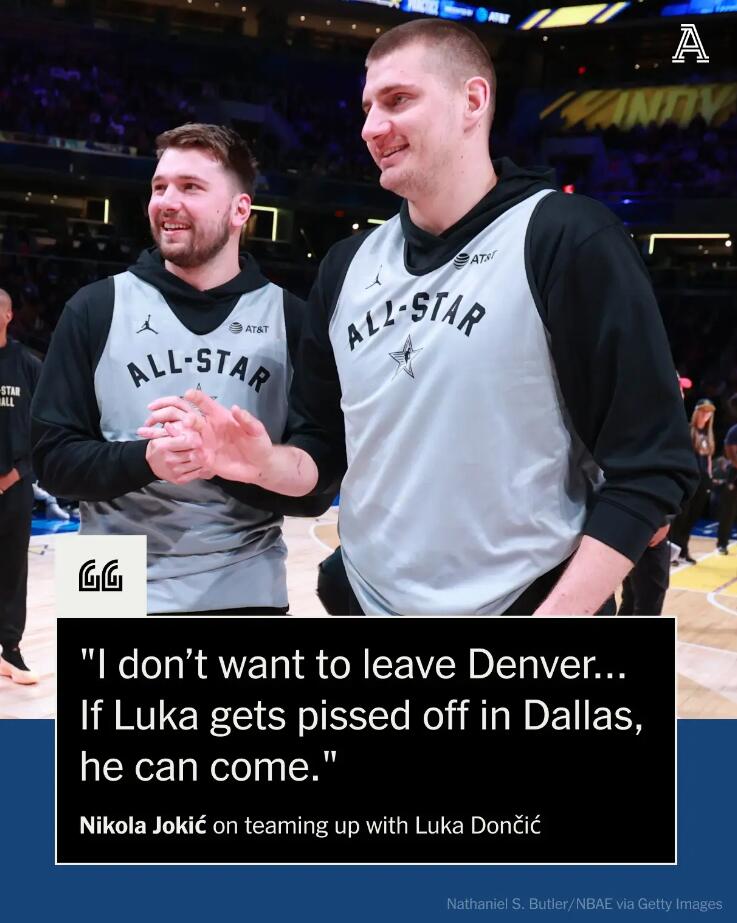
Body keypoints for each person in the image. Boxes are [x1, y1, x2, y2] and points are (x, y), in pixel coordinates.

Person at [156, 21, 697, 616]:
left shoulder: (566, 239)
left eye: (397, 100)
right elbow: (322, 456)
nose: (371, 127)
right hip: (366, 603)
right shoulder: (346, 266)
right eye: (367, 108)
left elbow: (651, 468)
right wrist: (263, 465)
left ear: (473, 100)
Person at [31, 124, 330, 614]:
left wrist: (232, 462)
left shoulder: (291, 320)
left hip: (241, 583)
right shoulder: (95, 307)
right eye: (160, 186)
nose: (167, 202)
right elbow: (51, 462)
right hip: (106, 580)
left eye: (190, 187)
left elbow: (318, 488)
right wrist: (147, 459)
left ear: (240, 210)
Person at [0, 288, 41, 683]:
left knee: (13, 567)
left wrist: (17, 472)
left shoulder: (28, 364)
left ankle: (10, 649)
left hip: (16, 482)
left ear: (9, 315)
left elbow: (45, 426)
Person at [671, 398, 715, 564]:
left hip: (703, 481)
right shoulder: (689, 430)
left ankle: (684, 550)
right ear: (697, 412)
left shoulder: (708, 434)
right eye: (703, 411)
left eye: (708, 412)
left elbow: (708, 458)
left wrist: (710, 477)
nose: (705, 414)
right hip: (688, 480)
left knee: (692, 517)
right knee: (681, 517)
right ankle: (674, 551)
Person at [716, 420, 737, 555]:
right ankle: (722, 543)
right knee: (729, 511)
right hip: (734, 474)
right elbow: (729, 448)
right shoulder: (735, 430)